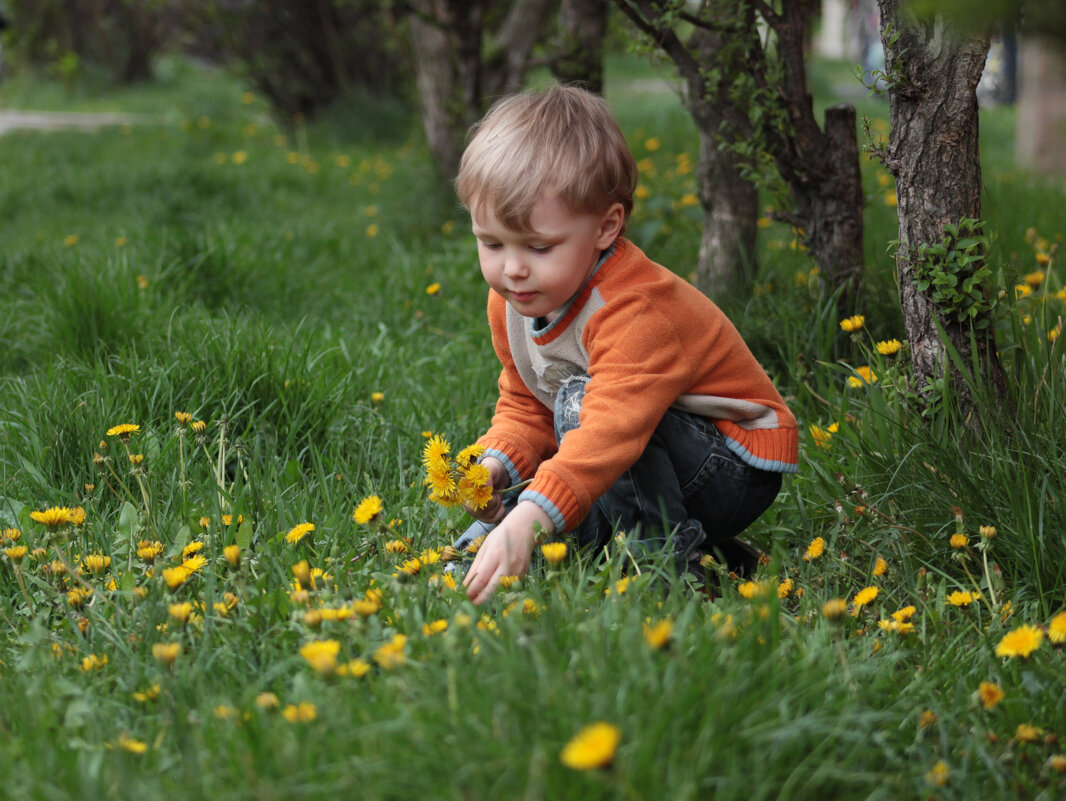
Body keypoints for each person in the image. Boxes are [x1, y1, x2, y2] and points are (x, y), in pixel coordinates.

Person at [453, 86, 798, 604]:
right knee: (527, 496)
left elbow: (612, 429)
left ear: (606, 227)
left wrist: (529, 517)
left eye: (539, 246)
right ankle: (715, 558)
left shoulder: (632, 309)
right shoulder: (512, 301)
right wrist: (496, 465)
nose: (512, 268)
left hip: (730, 465)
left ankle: (666, 573)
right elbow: (526, 402)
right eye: (492, 243)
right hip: (646, 450)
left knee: (579, 410)